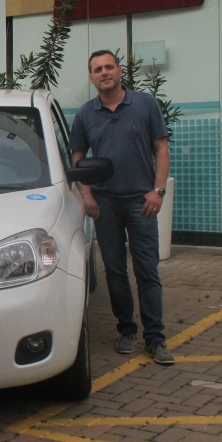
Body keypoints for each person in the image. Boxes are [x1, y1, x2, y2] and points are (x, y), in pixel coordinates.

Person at [69, 49, 173, 365]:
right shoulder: (85, 114)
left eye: (109, 67)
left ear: (119, 70)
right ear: (91, 77)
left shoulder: (144, 105)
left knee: (147, 270)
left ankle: (155, 338)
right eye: (97, 69)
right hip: (105, 205)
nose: (104, 72)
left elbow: (161, 148)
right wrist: (87, 196)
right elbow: (77, 158)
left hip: (142, 203)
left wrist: (158, 191)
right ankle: (126, 329)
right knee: (114, 270)